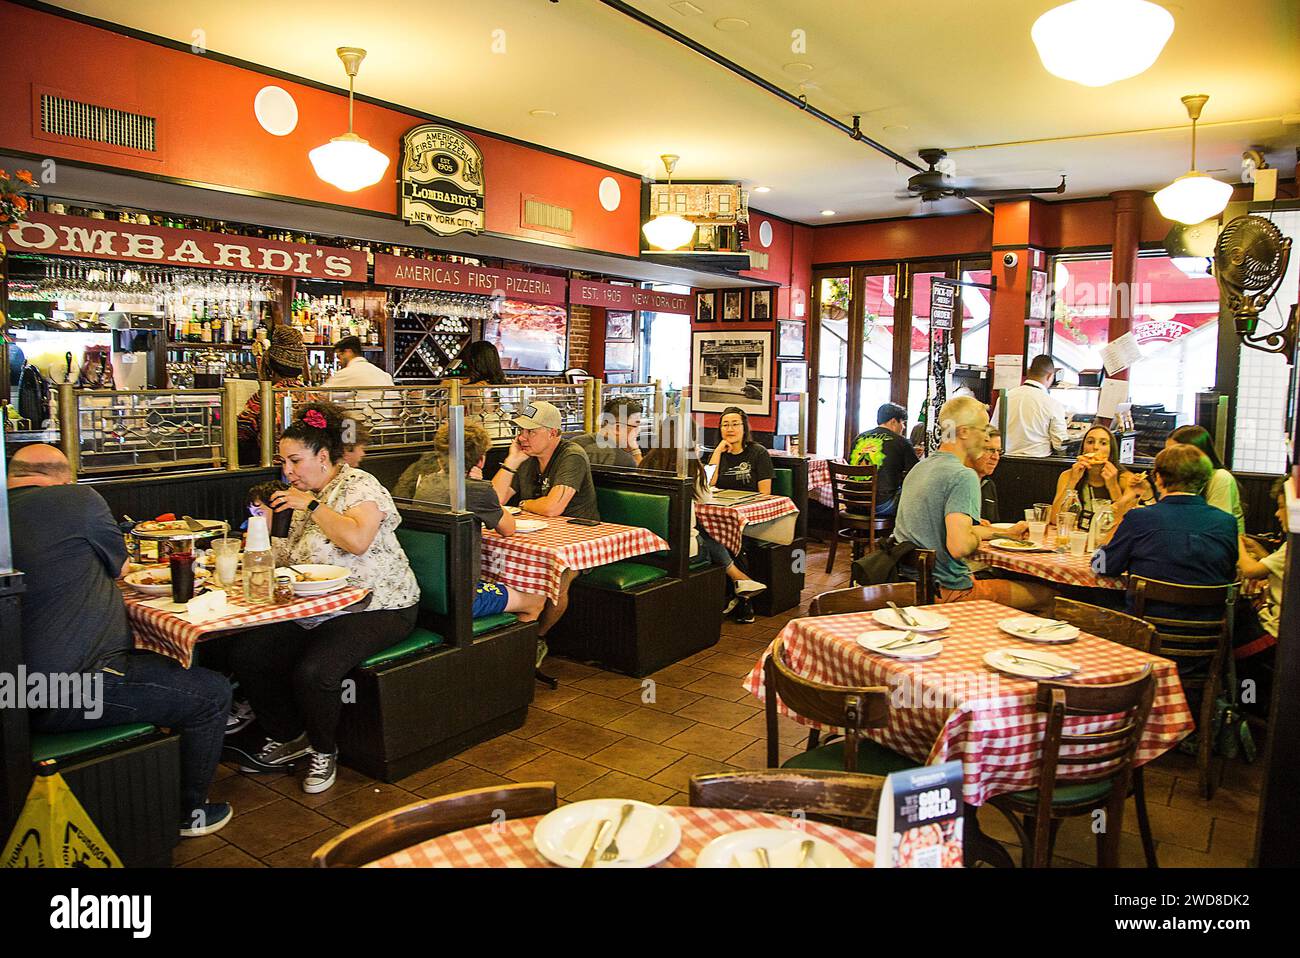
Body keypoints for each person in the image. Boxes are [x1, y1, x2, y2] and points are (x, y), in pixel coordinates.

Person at [7, 445, 233, 837]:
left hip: (14, 697)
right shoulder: (75, 499)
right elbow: (123, 565)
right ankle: (188, 814)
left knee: (173, 669)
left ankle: (159, 772)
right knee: (211, 694)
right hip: (73, 690)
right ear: (65, 475)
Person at [230, 403, 420, 794]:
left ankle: (323, 750)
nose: (288, 471)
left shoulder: (358, 485)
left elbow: (356, 538)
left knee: (315, 671)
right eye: (284, 462)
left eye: (295, 461)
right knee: (247, 650)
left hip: (379, 604)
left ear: (322, 456)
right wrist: (261, 531)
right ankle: (289, 735)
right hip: (320, 609)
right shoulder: (304, 494)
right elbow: (288, 560)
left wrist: (312, 507)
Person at [894, 396, 1049, 611]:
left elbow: (946, 528)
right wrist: (972, 536)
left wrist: (1008, 533)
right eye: (984, 429)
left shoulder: (920, 467)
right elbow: (958, 546)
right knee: (1049, 596)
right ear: (964, 432)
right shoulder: (963, 476)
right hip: (949, 592)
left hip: (908, 587)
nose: (987, 438)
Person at [490, 400, 599, 643]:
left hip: (577, 543)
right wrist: (511, 462)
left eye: (531, 431)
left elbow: (553, 507)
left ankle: (537, 640)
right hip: (537, 540)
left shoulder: (572, 455)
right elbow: (493, 501)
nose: (523, 437)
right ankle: (511, 640)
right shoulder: (527, 457)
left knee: (558, 580)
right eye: (521, 430)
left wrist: (522, 504)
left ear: (552, 433)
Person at [414, 421, 546, 622]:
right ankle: (521, 650)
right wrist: (486, 489)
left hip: (426, 591)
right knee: (536, 599)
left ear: (440, 459)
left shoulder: (424, 483)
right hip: (463, 597)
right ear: (482, 460)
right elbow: (508, 529)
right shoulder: (478, 490)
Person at [1092, 444, 1238, 622]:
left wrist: (1116, 523)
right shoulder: (1227, 522)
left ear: (1158, 479)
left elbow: (1102, 566)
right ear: (1204, 481)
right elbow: (1228, 575)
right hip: (1209, 635)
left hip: (1144, 633)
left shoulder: (1139, 518)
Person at [641, 417, 767, 624]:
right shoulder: (689, 468)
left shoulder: (646, 463)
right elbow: (706, 499)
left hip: (647, 543)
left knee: (701, 530)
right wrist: (698, 459)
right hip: (680, 549)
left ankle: (739, 584)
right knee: (711, 535)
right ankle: (740, 582)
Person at [1048, 425, 1150, 528]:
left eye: (1103, 443)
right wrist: (1073, 481)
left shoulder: (1126, 479)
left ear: (1111, 451)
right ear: (1083, 449)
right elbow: (1054, 519)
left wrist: (1113, 486)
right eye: (1090, 442)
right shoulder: (1068, 475)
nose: (1095, 447)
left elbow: (1126, 525)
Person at [237, 325, 306, 466]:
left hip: (272, 468)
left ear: (270, 367)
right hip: (310, 469)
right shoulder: (313, 395)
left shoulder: (264, 397)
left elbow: (241, 433)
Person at [1167, 425, 1244, 535]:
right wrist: (1147, 493)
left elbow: (1216, 524)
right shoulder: (1177, 477)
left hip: (1219, 543)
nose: (1168, 458)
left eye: (1174, 453)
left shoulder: (1220, 477)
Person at [847, 402, 919, 517]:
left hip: (851, 502)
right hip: (880, 505)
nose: (904, 427)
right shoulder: (901, 442)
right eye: (903, 423)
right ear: (893, 421)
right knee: (914, 493)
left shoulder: (859, 438)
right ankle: (900, 534)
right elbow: (917, 473)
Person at [1002, 355, 1068, 457]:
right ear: (1050, 376)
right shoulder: (1053, 404)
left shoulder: (1005, 397)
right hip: (1038, 464)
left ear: (1029, 372)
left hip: (1006, 460)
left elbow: (994, 431)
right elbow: (1060, 444)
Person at [709, 407, 772, 494]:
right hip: (722, 503)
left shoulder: (759, 452)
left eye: (735, 424)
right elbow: (709, 483)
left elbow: (765, 492)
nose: (730, 429)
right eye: (725, 425)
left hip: (751, 504)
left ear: (744, 428)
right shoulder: (717, 454)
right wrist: (718, 451)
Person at [574, 396, 643, 467]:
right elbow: (643, 475)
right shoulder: (625, 460)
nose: (638, 430)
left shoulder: (575, 443)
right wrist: (635, 451)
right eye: (636, 425)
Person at [323, 335, 394, 388]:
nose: (339, 360)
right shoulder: (383, 375)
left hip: (362, 408)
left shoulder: (346, 373)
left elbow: (322, 393)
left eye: (339, 356)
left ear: (348, 352)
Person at [973, 428, 1002, 523]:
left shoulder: (989, 485)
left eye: (999, 451)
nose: (996, 457)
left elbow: (994, 524)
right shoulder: (959, 483)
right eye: (990, 450)